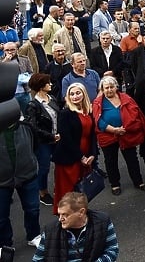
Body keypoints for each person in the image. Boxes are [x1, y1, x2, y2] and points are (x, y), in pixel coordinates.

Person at [92, 76, 145, 195]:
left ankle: (138, 181)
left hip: (127, 133)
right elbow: (98, 120)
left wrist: (125, 128)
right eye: (106, 88)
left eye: (112, 87)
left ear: (116, 87)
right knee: (110, 160)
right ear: (102, 89)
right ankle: (115, 184)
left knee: (132, 159)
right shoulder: (97, 102)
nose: (109, 90)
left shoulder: (126, 98)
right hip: (108, 135)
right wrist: (114, 130)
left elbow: (135, 113)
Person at [32, 191, 118, 261]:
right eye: (59, 214)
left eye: (65, 214)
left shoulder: (102, 221)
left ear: (81, 212)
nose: (60, 219)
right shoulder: (50, 230)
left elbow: (112, 250)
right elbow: (37, 259)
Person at [51, 83, 97, 213]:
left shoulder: (88, 111)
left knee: (81, 190)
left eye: (78, 93)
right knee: (67, 192)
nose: (75, 96)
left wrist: (93, 154)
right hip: (69, 159)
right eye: (72, 94)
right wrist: (81, 157)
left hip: (85, 156)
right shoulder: (65, 114)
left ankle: (79, 214)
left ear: (84, 94)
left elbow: (92, 135)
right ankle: (66, 217)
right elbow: (66, 139)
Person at [0, 111, 41, 250]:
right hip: (1, 181)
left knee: (33, 209)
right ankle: (5, 244)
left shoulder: (26, 127)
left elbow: (35, 145)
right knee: (1, 217)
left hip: (27, 175)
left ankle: (33, 235)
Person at [25, 73, 61, 206]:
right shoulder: (33, 105)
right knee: (44, 167)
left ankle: (60, 188)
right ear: (41, 86)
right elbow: (33, 127)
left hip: (57, 138)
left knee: (60, 164)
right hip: (44, 142)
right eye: (48, 83)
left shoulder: (51, 98)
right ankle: (43, 192)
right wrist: (51, 136)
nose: (50, 84)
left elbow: (59, 115)